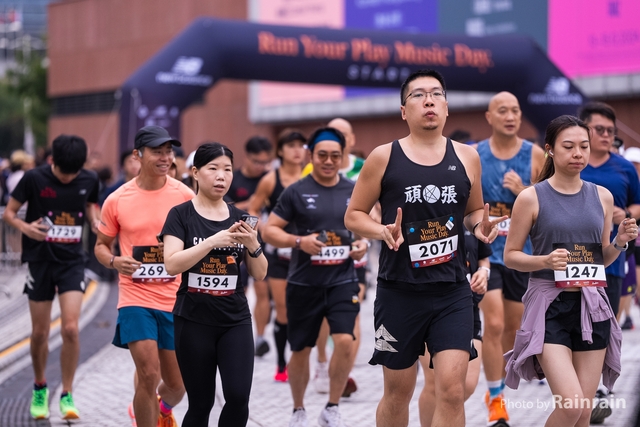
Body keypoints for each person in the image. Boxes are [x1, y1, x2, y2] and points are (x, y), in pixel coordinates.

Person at [344, 69, 503, 427]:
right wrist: (382, 231)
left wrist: (480, 226)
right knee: (398, 393)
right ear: (404, 111)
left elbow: (472, 212)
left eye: (436, 94)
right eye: (418, 95)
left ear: (446, 107)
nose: (428, 100)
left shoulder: (468, 156)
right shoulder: (383, 157)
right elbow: (353, 215)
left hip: (453, 292)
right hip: (398, 292)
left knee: (452, 390)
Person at [503, 115, 628, 427]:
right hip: (549, 308)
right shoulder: (531, 197)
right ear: (550, 149)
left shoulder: (602, 196)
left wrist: (620, 242)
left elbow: (601, 259)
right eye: (569, 146)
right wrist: (545, 261)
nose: (578, 153)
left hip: (592, 306)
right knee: (571, 407)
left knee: (584, 412)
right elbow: (511, 256)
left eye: (584, 146)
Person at [263, 127, 368, 427]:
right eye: (322, 155)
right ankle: (298, 410)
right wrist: (299, 241)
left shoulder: (352, 190)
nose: (329, 161)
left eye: (335, 155)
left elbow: (362, 228)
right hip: (304, 283)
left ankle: (332, 407)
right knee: (301, 350)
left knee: (345, 340)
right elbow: (270, 230)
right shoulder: (296, 191)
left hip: (342, 280)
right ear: (311, 155)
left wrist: (361, 244)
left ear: (343, 156)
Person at [161, 142, 267, 426]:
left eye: (228, 169)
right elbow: (172, 264)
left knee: (238, 398)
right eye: (213, 168)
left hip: (235, 320)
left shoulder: (240, 219)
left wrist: (254, 245)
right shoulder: (180, 215)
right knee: (201, 403)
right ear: (195, 172)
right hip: (193, 321)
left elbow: (260, 273)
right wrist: (211, 242)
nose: (221, 176)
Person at [95, 126, 193, 427]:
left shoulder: (184, 195)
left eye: (169, 151)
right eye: (157, 152)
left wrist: (179, 248)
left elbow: (199, 239)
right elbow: (101, 246)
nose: (165, 158)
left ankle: (163, 409)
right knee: (148, 375)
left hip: (175, 299)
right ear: (138, 155)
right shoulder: (117, 199)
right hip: (135, 298)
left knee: (177, 385)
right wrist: (114, 261)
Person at [2, 134, 101, 420]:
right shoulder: (34, 178)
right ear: (51, 161)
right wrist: (26, 228)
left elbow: (89, 205)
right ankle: (39, 387)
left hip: (72, 261)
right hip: (40, 261)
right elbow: (9, 213)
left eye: (74, 173)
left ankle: (67, 393)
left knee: (70, 329)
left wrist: (95, 222)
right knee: (39, 333)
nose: (68, 179)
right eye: (62, 173)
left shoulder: (89, 179)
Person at [475, 91, 545, 426]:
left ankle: (497, 386)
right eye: (502, 110)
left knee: (512, 329)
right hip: (487, 254)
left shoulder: (535, 155)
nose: (510, 116)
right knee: (494, 323)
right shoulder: (474, 155)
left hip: (520, 254)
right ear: (489, 117)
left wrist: (523, 192)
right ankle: (496, 399)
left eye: (515, 110)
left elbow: (549, 205)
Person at [577, 102, 640, 423]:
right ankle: (578, 392)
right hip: (569, 260)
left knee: (603, 325)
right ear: (583, 129)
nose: (605, 136)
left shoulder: (624, 168)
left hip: (611, 261)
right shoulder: (571, 163)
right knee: (572, 327)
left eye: (611, 131)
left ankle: (596, 390)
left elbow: (637, 205)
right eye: (599, 129)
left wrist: (625, 214)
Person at [313, 117, 369, 397]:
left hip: (354, 256)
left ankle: (344, 371)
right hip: (322, 256)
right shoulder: (312, 169)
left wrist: (366, 237)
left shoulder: (365, 167)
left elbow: (377, 208)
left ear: (352, 139)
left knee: (352, 313)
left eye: (343, 134)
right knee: (324, 316)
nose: (339, 139)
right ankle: (323, 361)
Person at [248, 128, 307, 382]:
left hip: (306, 251)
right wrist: (263, 228)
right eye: (291, 146)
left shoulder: (311, 176)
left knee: (302, 310)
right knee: (282, 309)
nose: (297, 151)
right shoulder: (270, 180)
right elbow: (253, 208)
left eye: (301, 146)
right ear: (281, 151)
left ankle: (304, 359)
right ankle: (282, 364)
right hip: (277, 254)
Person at [418, 229, 491, 426]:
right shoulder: (432, 220)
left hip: (467, 307)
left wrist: (484, 272)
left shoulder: (472, 220)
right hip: (430, 306)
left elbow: (484, 258)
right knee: (435, 383)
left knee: (467, 385)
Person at [225, 136, 272, 355]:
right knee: (239, 291)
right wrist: (251, 204)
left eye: (265, 162)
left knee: (263, 290)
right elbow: (223, 207)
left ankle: (259, 338)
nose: (260, 166)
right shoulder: (234, 179)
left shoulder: (269, 179)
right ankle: (235, 332)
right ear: (246, 157)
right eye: (256, 162)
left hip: (263, 242)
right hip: (237, 242)